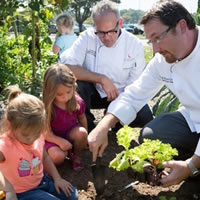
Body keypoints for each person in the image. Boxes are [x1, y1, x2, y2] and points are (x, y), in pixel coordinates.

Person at [88, 0, 200, 187]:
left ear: (181, 27)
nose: (155, 49)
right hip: (192, 118)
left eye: (157, 38)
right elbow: (134, 94)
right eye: (151, 41)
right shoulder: (162, 60)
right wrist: (104, 126)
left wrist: (191, 165)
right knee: (151, 135)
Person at [60, 0, 153, 132]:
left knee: (145, 116)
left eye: (111, 31)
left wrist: (115, 111)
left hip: (121, 95)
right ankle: (89, 127)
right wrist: (101, 79)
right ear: (94, 26)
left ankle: (114, 122)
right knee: (75, 84)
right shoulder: (86, 37)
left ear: (120, 23)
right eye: (101, 33)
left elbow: (135, 85)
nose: (107, 37)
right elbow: (66, 67)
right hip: (94, 94)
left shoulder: (134, 44)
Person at [0, 85, 78, 200]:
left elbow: (44, 156)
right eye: (26, 135)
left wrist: (57, 178)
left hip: (42, 181)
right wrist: (8, 189)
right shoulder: (5, 145)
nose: (32, 139)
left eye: (36, 134)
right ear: (10, 125)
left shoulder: (37, 134)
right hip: (22, 192)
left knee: (72, 195)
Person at [42, 63, 88, 170]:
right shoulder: (46, 106)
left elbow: (82, 118)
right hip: (51, 138)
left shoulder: (77, 102)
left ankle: (75, 156)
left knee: (82, 133)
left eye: (68, 92)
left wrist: (86, 137)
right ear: (50, 92)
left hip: (70, 133)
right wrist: (59, 141)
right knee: (57, 157)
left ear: (73, 86)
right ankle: (52, 156)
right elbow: (44, 132)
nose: (65, 97)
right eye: (59, 94)